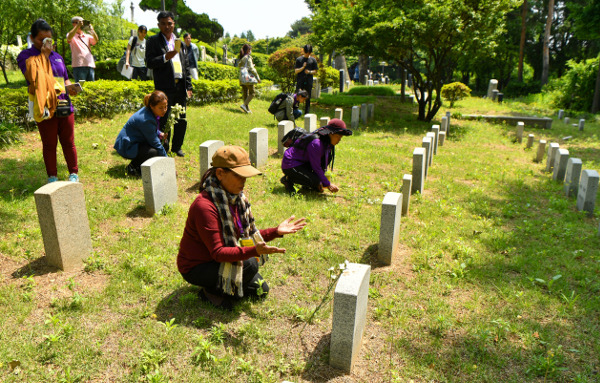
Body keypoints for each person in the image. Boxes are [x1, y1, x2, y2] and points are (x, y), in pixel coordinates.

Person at [177, 146, 306, 309]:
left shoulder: (236, 198)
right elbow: (217, 253)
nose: (244, 181)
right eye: (238, 175)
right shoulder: (204, 206)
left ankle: (226, 285)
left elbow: (248, 237)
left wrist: (276, 231)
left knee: (260, 290)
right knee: (250, 264)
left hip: (220, 260)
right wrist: (254, 251)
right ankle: (210, 291)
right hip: (198, 267)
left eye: (245, 176)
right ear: (220, 174)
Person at [17, 19, 80, 183]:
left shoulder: (57, 57)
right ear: (32, 38)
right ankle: (52, 177)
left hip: (64, 105)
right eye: (42, 40)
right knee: (50, 144)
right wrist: (44, 55)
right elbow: (33, 77)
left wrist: (70, 87)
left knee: (68, 142)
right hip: (43, 106)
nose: (46, 43)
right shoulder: (25, 56)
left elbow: (64, 79)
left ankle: (73, 173)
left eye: (49, 40)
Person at [146, 11, 193, 157]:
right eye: (164, 24)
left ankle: (177, 147)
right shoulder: (153, 41)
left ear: (174, 24)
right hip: (165, 86)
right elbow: (149, 63)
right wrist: (166, 57)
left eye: (170, 23)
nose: (167, 26)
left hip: (180, 86)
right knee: (165, 118)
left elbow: (186, 66)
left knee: (181, 118)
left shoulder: (181, 44)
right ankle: (164, 147)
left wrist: (189, 86)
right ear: (159, 25)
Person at [281, 119, 352, 194]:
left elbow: (322, 163)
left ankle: (307, 183)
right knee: (316, 181)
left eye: (341, 137)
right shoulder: (316, 143)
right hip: (291, 164)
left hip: (303, 163)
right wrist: (328, 184)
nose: (339, 140)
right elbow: (316, 167)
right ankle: (288, 179)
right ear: (330, 134)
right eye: (338, 136)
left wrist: (322, 181)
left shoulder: (326, 142)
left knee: (318, 182)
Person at [113, 91, 168, 177]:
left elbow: (150, 130)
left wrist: (159, 133)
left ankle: (151, 166)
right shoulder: (146, 119)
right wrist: (168, 165)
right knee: (152, 151)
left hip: (138, 141)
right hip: (128, 145)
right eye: (161, 108)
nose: (164, 110)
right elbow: (155, 143)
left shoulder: (149, 111)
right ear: (152, 106)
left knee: (164, 142)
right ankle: (133, 167)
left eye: (166, 107)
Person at [67, 16, 98, 82]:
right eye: (79, 22)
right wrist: (77, 26)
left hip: (89, 64)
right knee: (80, 87)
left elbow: (95, 40)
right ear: (74, 24)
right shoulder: (71, 34)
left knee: (91, 87)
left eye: (83, 22)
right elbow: (69, 37)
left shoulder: (87, 36)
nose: (82, 24)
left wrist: (92, 30)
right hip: (79, 65)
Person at [294, 44, 318, 114]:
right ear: (303, 51)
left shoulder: (313, 60)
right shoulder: (299, 59)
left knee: (308, 97)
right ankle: (295, 111)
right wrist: (303, 67)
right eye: (306, 53)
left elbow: (315, 71)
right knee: (297, 95)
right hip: (300, 81)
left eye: (309, 53)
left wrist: (309, 72)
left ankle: (307, 112)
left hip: (309, 81)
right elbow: (296, 71)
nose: (307, 55)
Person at [238, 44, 261, 114]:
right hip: (248, 78)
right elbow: (251, 68)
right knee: (252, 93)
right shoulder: (248, 57)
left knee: (245, 93)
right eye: (250, 50)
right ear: (248, 50)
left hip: (242, 78)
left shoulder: (242, 57)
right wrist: (257, 77)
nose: (250, 51)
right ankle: (244, 105)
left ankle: (246, 109)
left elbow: (240, 66)